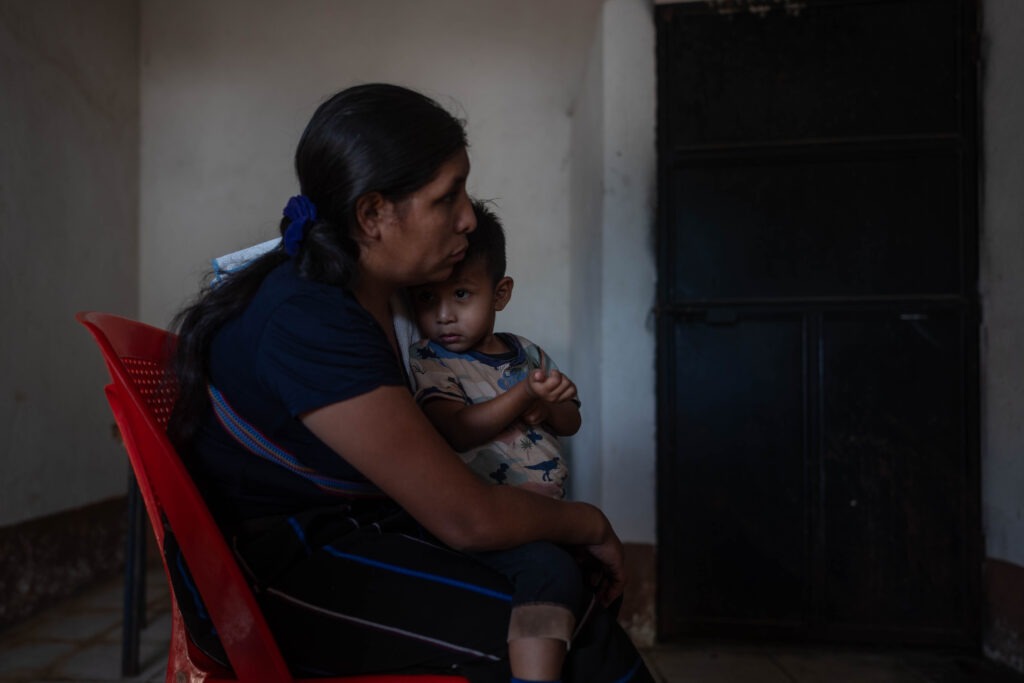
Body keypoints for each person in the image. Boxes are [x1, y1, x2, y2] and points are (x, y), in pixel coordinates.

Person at [168, 82, 654, 683]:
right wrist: (592, 522)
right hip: (271, 574)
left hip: (348, 526)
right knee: (559, 621)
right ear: (373, 215)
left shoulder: (377, 301)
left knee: (549, 576)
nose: (469, 218)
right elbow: (466, 518)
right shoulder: (309, 320)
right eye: (448, 197)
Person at [407, 201, 591, 682]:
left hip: (542, 514)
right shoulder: (432, 360)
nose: (444, 315)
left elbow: (569, 423)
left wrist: (549, 403)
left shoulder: (526, 353)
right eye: (427, 300)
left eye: (462, 294)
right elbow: (457, 428)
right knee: (548, 578)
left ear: (500, 294)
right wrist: (522, 394)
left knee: (580, 583)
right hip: (487, 519)